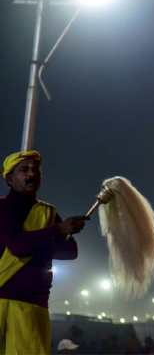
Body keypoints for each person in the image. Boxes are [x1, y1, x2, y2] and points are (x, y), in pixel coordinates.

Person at [0, 150, 87, 354]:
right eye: (24, 170)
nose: (31, 174)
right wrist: (57, 231)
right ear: (10, 178)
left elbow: (70, 251)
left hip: (32, 308)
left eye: (35, 169)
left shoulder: (48, 212)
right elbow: (17, 246)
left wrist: (64, 232)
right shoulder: (2, 208)